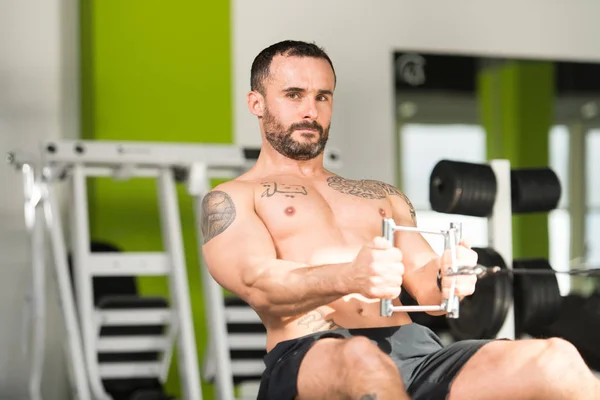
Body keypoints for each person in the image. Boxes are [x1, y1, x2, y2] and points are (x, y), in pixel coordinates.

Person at [201, 40, 600, 400]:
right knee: (362, 360)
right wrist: (348, 276)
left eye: (323, 96)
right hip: (310, 350)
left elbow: (426, 283)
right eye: (294, 95)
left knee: (557, 358)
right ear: (257, 103)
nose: (310, 110)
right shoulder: (234, 197)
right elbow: (260, 284)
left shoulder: (382, 195)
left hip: (413, 349)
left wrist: (448, 278)